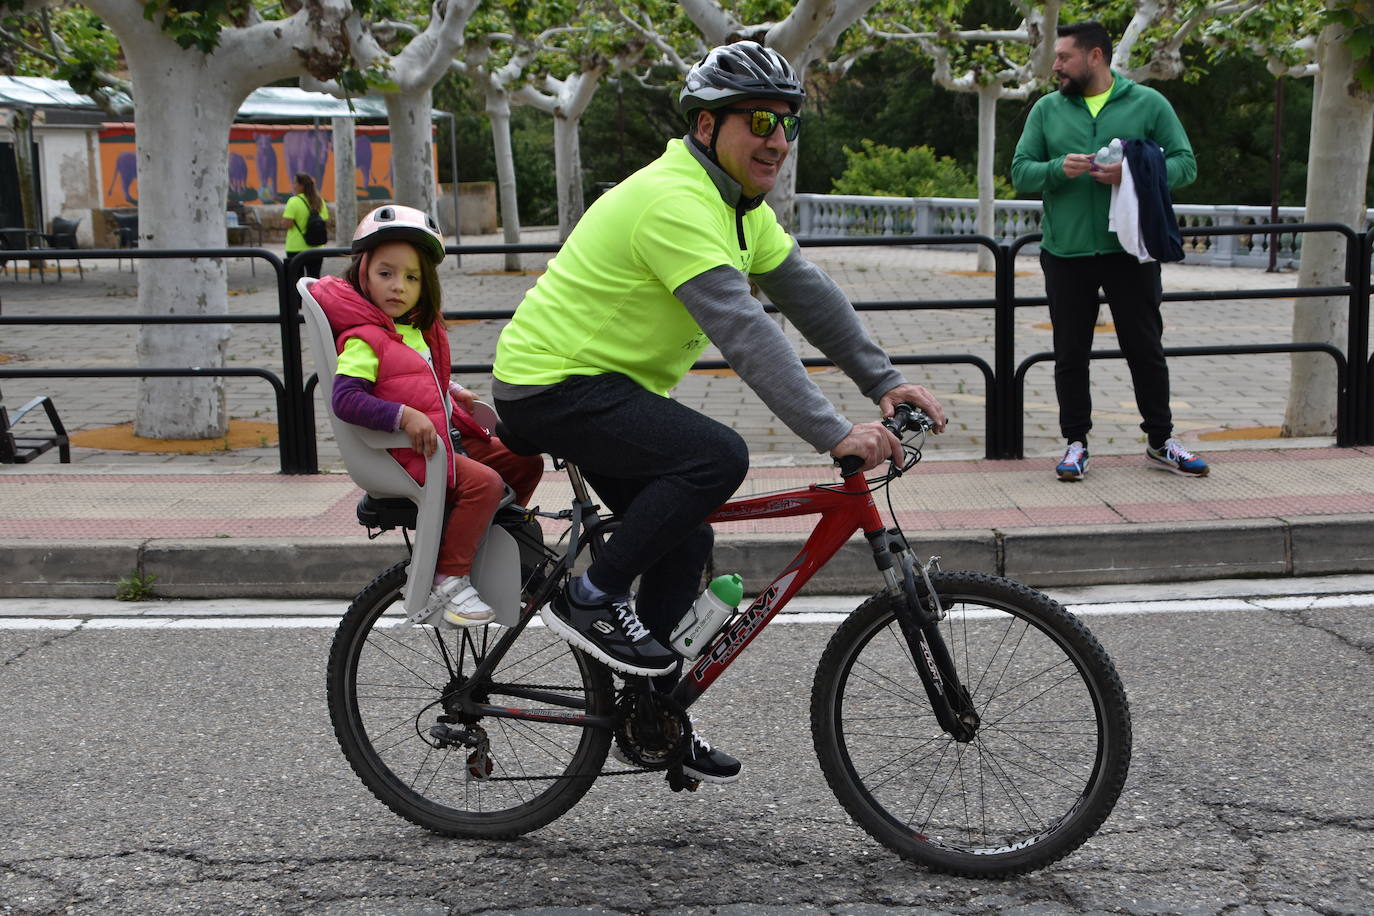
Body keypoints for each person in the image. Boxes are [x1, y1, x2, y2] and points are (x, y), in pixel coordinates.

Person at [491, 40, 946, 784]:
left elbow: (808, 294)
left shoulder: (739, 209)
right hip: (553, 385)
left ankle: (653, 715)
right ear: (706, 126)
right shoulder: (675, 200)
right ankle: (592, 595)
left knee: (686, 536)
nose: (778, 139)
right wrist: (833, 432)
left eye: (788, 123)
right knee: (716, 457)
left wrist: (884, 381)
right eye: (759, 120)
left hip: (607, 387)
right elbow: (744, 330)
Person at [313, 205, 543, 626]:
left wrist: (453, 392)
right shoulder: (365, 340)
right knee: (486, 483)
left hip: (442, 440)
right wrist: (403, 417)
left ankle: (483, 542)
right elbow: (347, 399)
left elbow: (416, 378)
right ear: (363, 274)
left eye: (411, 277)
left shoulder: (411, 330)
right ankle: (449, 578)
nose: (398, 286)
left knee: (524, 463)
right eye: (386, 273)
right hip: (411, 453)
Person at [1011, 20, 1209, 481]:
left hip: (1131, 250)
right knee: (1070, 353)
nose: (1056, 65)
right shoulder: (1046, 109)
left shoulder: (1148, 102)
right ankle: (1075, 443)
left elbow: (1186, 164)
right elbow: (1020, 172)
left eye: (1064, 57)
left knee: (1145, 348)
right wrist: (1058, 168)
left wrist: (1133, 173)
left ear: (1095, 56)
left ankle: (1161, 441)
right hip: (1066, 252)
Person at [282, 173, 329, 278]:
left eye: (295, 183)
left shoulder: (293, 201)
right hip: (317, 247)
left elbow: (287, 224)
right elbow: (324, 220)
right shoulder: (320, 201)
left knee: (296, 280)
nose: (293, 186)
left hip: (295, 247)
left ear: (301, 185)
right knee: (314, 279)